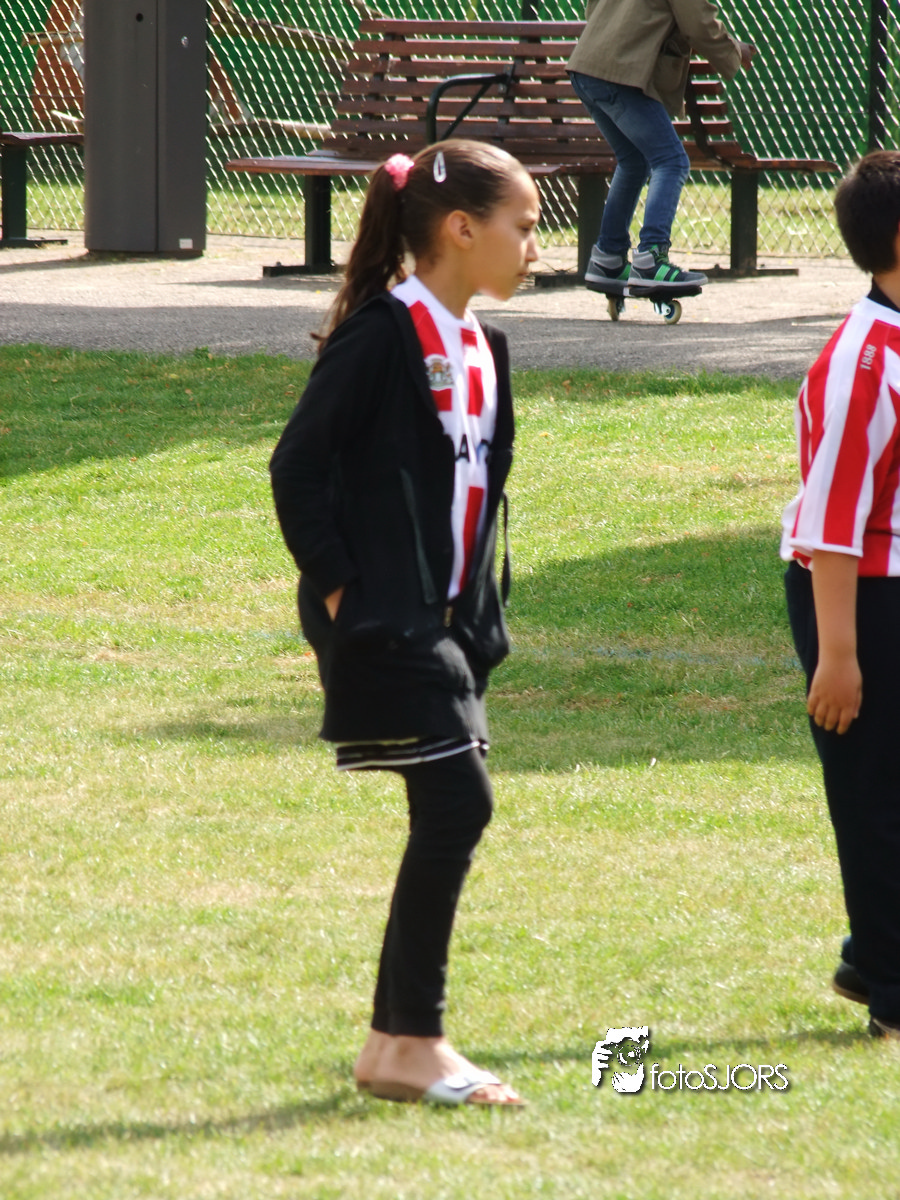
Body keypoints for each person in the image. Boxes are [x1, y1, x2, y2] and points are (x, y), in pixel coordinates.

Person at [269, 139, 540, 1104]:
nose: (536, 249)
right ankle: (410, 1042)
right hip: (387, 621)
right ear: (461, 229)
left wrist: (475, 616)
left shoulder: (486, 348)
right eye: (524, 228)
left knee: (450, 805)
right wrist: (347, 594)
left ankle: (396, 1047)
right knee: (461, 802)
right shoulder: (383, 335)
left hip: (451, 629)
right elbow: (297, 467)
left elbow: (473, 492)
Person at [781, 149, 900, 1041]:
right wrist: (839, 655)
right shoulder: (867, 359)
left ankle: (870, 953)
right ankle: (893, 991)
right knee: (874, 794)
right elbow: (831, 525)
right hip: (858, 599)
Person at [567, 0, 755, 294]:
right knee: (671, 161)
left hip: (588, 67)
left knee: (634, 161)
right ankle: (650, 259)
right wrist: (734, 51)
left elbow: (594, 9)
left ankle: (608, 259)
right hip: (620, 73)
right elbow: (698, 23)